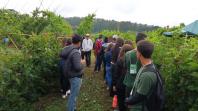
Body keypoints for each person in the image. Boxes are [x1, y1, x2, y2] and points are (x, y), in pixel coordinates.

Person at [125, 40, 163, 111]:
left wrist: (128, 101)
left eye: (136, 51)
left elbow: (140, 96)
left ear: (139, 54)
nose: (136, 53)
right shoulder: (145, 66)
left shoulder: (147, 75)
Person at [60, 34, 84, 111]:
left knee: (73, 94)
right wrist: (82, 63)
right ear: (79, 42)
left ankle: (72, 108)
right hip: (75, 76)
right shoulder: (76, 52)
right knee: (73, 95)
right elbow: (77, 67)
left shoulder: (68, 48)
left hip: (70, 75)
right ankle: (71, 109)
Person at [123, 33, 147, 98]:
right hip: (140, 85)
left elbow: (124, 67)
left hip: (128, 83)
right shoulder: (145, 56)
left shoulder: (128, 54)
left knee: (128, 102)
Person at [112, 44, 133, 111]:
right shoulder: (132, 61)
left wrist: (114, 84)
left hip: (120, 84)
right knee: (127, 100)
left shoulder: (120, 60)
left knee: (120, 100)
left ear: (122, 51)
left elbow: (116, 74)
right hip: (129, 84)